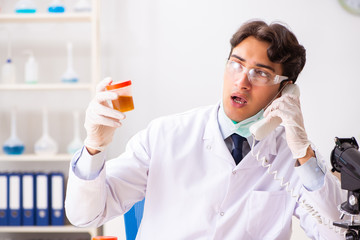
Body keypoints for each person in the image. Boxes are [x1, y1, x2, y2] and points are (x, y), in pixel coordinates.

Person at [65, 20, 346, 239]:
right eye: (236, 65)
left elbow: (338, 235)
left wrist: (303, 151)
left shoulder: (293, 158)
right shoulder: (165, 135)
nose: (242, 82)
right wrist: (93, 146)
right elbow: (85, 215)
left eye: (260, 73)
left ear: (286, 90)